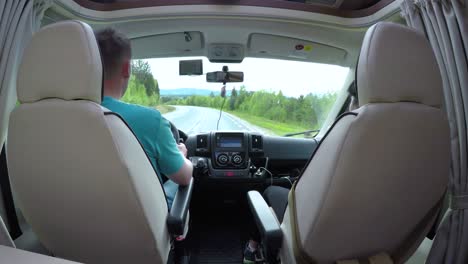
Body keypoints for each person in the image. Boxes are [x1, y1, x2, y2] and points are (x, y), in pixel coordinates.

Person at [95, 28, 193, 209]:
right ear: (126, 68)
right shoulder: (151, 120)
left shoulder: (56, 120)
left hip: (74, 227)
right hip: (139, 230)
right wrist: (182, 154)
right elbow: (184, 176)